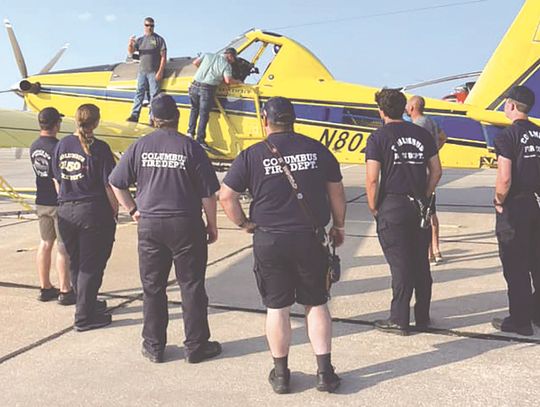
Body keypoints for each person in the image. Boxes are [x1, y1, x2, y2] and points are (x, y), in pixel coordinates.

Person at [220, 96, 346, 394]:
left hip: (270, 239)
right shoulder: (316, 150)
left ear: (265, 119)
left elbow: (226, 196)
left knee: (277, 308)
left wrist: (243, 224)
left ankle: (280, 374)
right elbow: (336, 193)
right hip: (310, 238)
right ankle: (325, 373)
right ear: (293, 119)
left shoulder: (251, 155)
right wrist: (338, 226)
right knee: (316, 303)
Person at [109, 94, 222, 364]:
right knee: (192, 286)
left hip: (150, 225)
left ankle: (154, 346)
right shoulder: (191, 147)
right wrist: (212, 224)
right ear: (178, 118)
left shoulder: (139, 146)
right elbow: (208, 193)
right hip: (185, 224)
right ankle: (196, 346)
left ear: (152, 119)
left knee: (152, 287)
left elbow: (116, 182)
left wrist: (133, 210)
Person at [366, 88, 442, 335]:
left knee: (400, 265)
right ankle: (422, 315)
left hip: (393, 205)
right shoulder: (421, 134)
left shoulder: (378, 138)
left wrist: (374, 206)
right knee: (421, 262)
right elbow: (436, 171)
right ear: (403, 109)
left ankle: (399, 318)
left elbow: (372, 179)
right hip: (418, 204)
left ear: (381, 111)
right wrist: (426, 195)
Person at [52, 104, 118, 331]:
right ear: (97, 122)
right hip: (91, 210)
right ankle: (83, 317)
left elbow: (57, 180)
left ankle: (86, 303)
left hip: (65, 210)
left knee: (77, 262)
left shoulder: (62, 145)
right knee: (92, 264)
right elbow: (109, 185)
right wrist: (115, 209)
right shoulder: (100, 148)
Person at [491, 85, 540, 336]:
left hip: (516, 206)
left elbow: (505, 177)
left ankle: (520, 321)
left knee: (515, 266)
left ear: (511, 105)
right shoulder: (538, 133)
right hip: (536, 203)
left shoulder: (506, 136)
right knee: (536, 263)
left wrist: (499, 200)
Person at [30, 107, 73, 305]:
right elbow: (59, 176)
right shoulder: (58, 147)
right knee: (63, 247)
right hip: (57, 202)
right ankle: (65, 289)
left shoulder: (34, 146)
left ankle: (45, 286)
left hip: (41, 201)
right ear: (56, 125)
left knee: (45, 243)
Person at [405, 95, 447, 265]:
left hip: (422, 173)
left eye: (408, 105)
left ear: (413, 108)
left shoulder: (416, 126)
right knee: (432, 210)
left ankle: (429, 251)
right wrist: (434, 152)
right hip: (432, 170)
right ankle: (436, 248)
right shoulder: (431, 121)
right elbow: (444, 137)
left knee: (423, 211)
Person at [187, 47, 241, 149]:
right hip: (207, 89)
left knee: (194, 109)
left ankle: (190, 133)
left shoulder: (207, 54)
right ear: (230, 56)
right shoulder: (226, 65)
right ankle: (200, 139)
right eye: (234, 58)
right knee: (204, 114)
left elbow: (195, 63)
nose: (234, 61)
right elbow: (228, 80)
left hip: (194, 85)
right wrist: (238, 81)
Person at [126, 17, 167, 123]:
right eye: (147, 25)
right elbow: (131, 52)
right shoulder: (140, 40)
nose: (150, 27)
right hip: (142, 71)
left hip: (153, 71)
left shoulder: (159, 39)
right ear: (144, 26)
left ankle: (153, 117)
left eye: (152, 25)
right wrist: (130, 44)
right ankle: (135, 115)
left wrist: (160, 71)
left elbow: (163, 56)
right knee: (139, 92)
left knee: (154, 95)